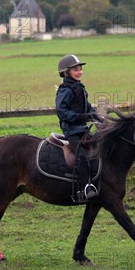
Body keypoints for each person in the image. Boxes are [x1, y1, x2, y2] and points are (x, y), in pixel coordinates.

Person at [55, 54, 101, 199]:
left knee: (97, 148)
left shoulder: (80, 88)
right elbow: (62, 112)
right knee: (81, 154)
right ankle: (86, 186)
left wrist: (98, 117)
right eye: (75, 69)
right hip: (71, 131)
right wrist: (81, 117)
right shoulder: (65, 90)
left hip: (82, 129)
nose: (79, 72)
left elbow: (88, 107)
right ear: (66, 72)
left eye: (80, 69)